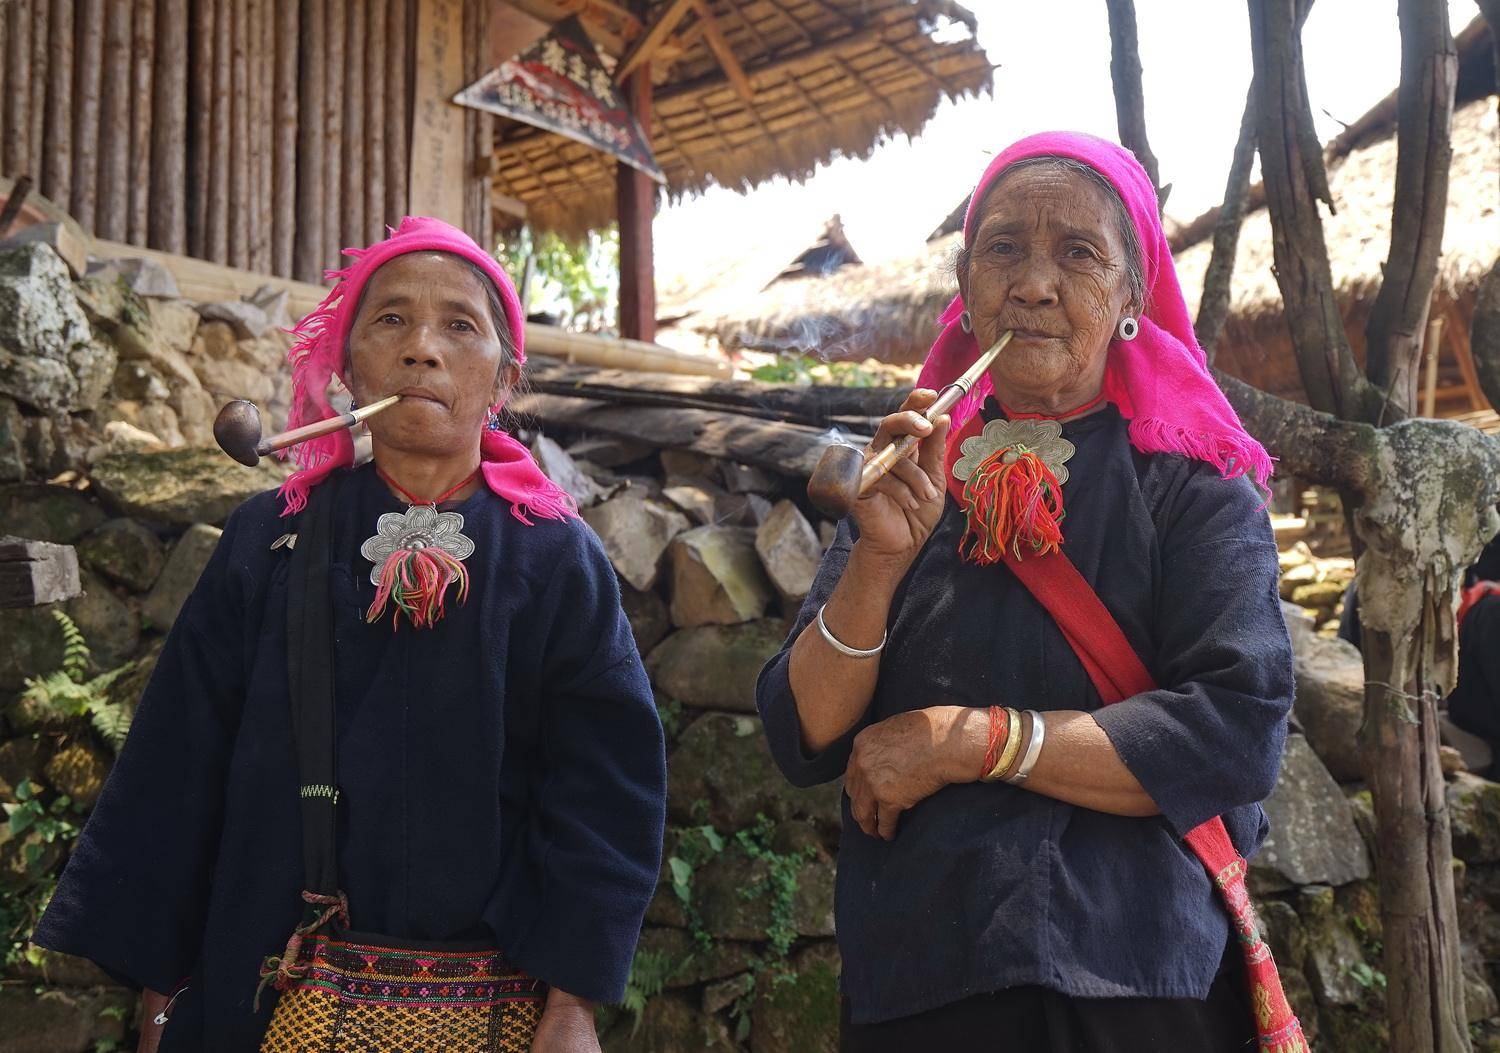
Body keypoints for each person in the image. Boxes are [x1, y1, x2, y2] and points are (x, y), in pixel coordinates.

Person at [33, 217, 667, 1052]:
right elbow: (178, 766)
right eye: (391, 321)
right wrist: (162, 1002)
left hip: (496, 1014)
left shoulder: (556, 557)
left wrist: (573, 1005)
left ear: (502, 378)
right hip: (264, 1001)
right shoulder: (269, 539)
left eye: (459, 326)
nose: (421, 350)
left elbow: (604, 789)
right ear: (348, 362)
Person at [756, 133, 1300, 1052]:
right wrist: (879, 560)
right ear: (966, 288)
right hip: (925, 981)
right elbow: (804, 735)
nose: (1035, 283)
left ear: (1130, 296)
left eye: (1079, 253)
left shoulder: (1194, 487)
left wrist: (968, 741)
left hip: (1136, 984)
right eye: (1004, 248)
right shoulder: (910, 474)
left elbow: (1234, 727)